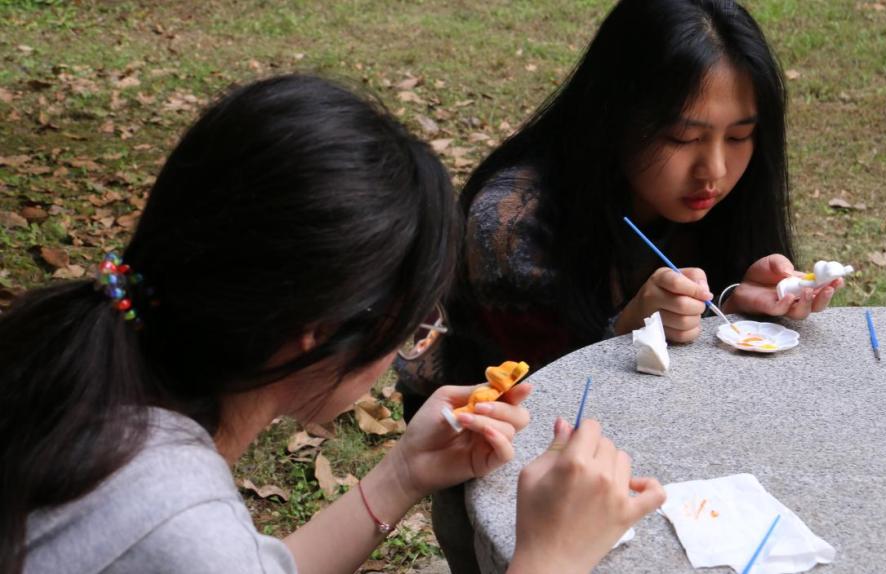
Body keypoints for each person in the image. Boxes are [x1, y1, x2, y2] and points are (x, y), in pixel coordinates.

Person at [0, 75, 665, 574]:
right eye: (414, 324)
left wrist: (403, 475)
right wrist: (550, 558)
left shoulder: (69, 381)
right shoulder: (173, 524)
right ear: (317, 331)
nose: (412, 342)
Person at [397, 0, 845, 571]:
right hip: (502, 472)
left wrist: (734, 300)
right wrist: (624, 329)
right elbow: (539, 399)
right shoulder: (511, 222)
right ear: (614, 117)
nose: (714, 170)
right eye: (683, 137)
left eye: (739, 136)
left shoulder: (719, 200)